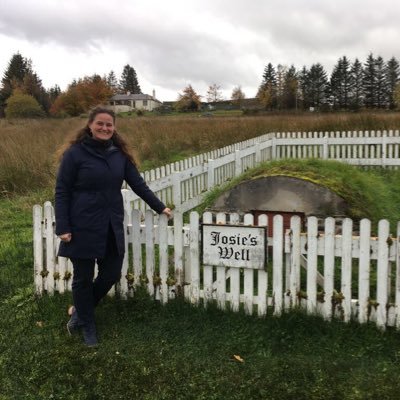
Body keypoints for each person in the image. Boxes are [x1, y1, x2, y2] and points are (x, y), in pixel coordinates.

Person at [55, 106, 172, 346]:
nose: (105, 128)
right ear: (90, 125)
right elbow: (62, 191)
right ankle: (87, 325)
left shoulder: (118, 155)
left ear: (114, 128)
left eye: (109, 124)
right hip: (82, 224)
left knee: (111, 274)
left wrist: (160, 207)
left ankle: (79, 311)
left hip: (110, 224)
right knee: (83, 278)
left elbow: (138, 185)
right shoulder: (75, 154)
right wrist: (63, 225)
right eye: (100, 123)